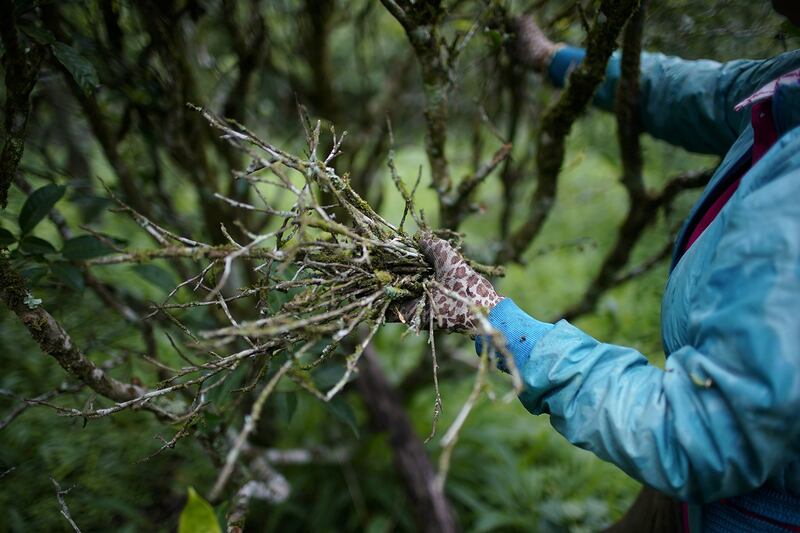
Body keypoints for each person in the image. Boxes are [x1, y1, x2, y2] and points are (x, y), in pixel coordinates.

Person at [413, 2, 800, 531]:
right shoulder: (791, 82)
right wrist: (557, 59)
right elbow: (704, 94)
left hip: (745, 505)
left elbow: (702, 435)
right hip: (697, 483)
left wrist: (497, 322)